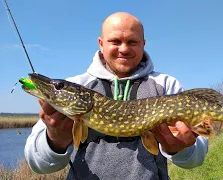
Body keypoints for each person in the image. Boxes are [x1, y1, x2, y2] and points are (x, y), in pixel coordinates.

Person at [24, 12, 209, 180]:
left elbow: (196, 158)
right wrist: (55, 140)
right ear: (101, 44)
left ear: (143, 44)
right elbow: (38, 165)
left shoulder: (166, 85)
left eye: (132, 42)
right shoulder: (79, 83)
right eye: (115, 41)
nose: (124, 49)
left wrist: (180, 151)